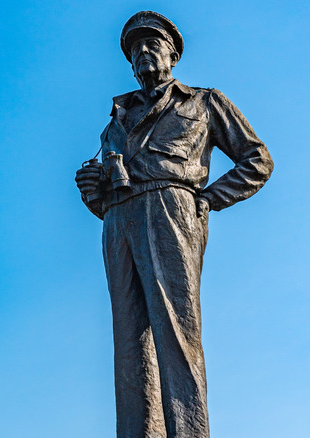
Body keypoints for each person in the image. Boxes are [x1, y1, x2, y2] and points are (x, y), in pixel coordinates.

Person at [75, 11, 273, 438]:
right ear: (129, 64)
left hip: (173, 209)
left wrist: (206, 200)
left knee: (176, 331)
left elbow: (257, 159)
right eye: (134, 50)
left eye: (152, 44)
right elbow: (104, 193)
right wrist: (92, 190)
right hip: (119, 220)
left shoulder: (203, 102)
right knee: (130, 344)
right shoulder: (115, 122)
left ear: (173, 54)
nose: (143, 53)